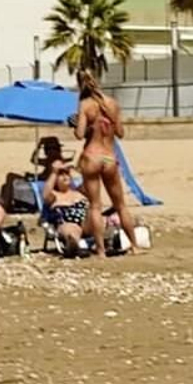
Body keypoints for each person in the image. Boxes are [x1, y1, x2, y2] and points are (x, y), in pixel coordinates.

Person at [72, 70, 137, 257]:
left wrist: (77, 124)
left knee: (95, 205)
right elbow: (120, 133)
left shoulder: (85, 105)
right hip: (109, 157)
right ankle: (134, 245)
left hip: (92, 155)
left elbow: (79, 134)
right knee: (121, 205)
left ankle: (100, 250)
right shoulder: (112, 103)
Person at [43, 164, 92, 255]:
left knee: (96, 215)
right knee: (71, 229)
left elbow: (89, 183)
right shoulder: (54, 195)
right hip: (67, 223)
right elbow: (46, 194)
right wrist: (54, 172)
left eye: (66, 174)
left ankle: (108, 238)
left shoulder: (79, 192)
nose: (65, 176)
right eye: (61, 175)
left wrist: (75, 170)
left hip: (87, 223)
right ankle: (74, 245)